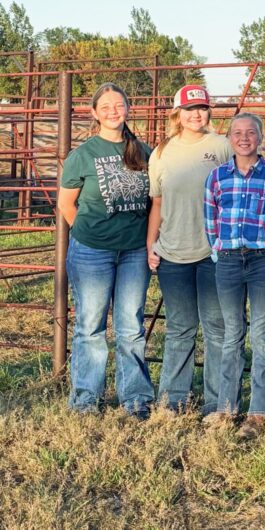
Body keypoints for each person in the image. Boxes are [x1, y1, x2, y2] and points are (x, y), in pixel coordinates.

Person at [58, 82, 155, 417]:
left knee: (131, 325)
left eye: (119, 105)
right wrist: (92, 235)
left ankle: (136, 397)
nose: (114, 111)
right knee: (91, 324)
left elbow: (155, 200)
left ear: (128, 108)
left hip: (134, 252)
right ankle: (86, 397)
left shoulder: (144, 151)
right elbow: (67, 205)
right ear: (95, 113)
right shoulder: (82, 155)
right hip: (92, 251)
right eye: (106, 107)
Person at [147, 85, 232, 416]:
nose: (196, 114)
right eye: (189, 109)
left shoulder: (222, 146)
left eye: (202, 108)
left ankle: (217, 404)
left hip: (213, 253)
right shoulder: (162, 153)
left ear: (209, 112)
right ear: (177, 114)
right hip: (173, 252)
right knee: (180, 327)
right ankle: (172, 400)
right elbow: (157, 202)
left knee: (216, 328)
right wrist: (150, 245)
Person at [203, 113, 265, 425]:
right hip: (228, 259)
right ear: (229, 138)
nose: (245, 138)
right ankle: (226, 406)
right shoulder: (217, 176)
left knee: (261, 333)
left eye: (251, 132)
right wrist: (219, 248)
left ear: (260, 137)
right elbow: (211, 220)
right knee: (232, 331)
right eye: (238, 132)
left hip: (262, 259)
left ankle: (260, 411)